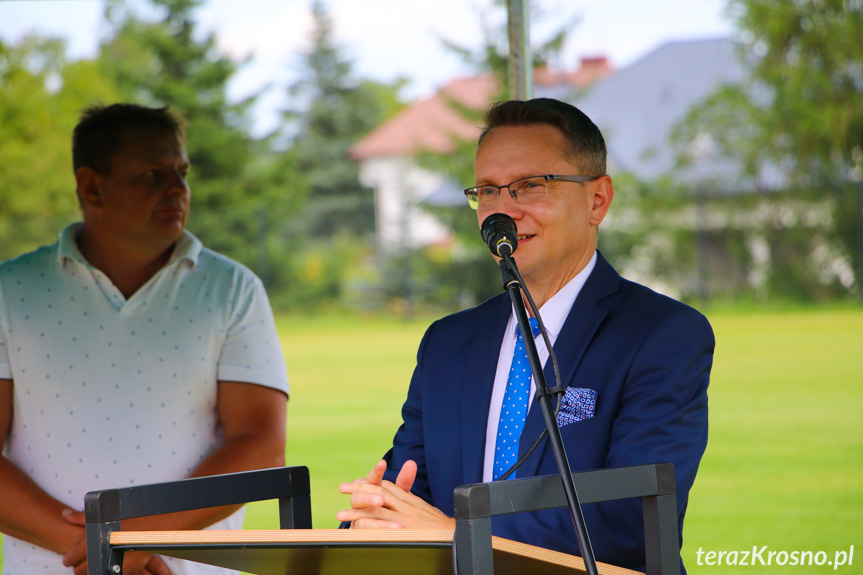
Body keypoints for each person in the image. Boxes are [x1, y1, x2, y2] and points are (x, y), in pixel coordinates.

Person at [337, 98, 714, 572]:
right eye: (488, 191)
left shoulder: (663, 334)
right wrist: (375, 515)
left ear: (597, 200)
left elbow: (632, 521)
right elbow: (412, 489)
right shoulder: (447, 343)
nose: (502, 211)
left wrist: (458, 534)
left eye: (530, 186)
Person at [0, 103, 289, 575]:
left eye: (182, 172)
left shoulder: (233, 288)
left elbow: (261, 445)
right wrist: (103, 551)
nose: (177, 189)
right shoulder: (8, 290)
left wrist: (132, 544)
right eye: (152, 175)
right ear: (92, 187)